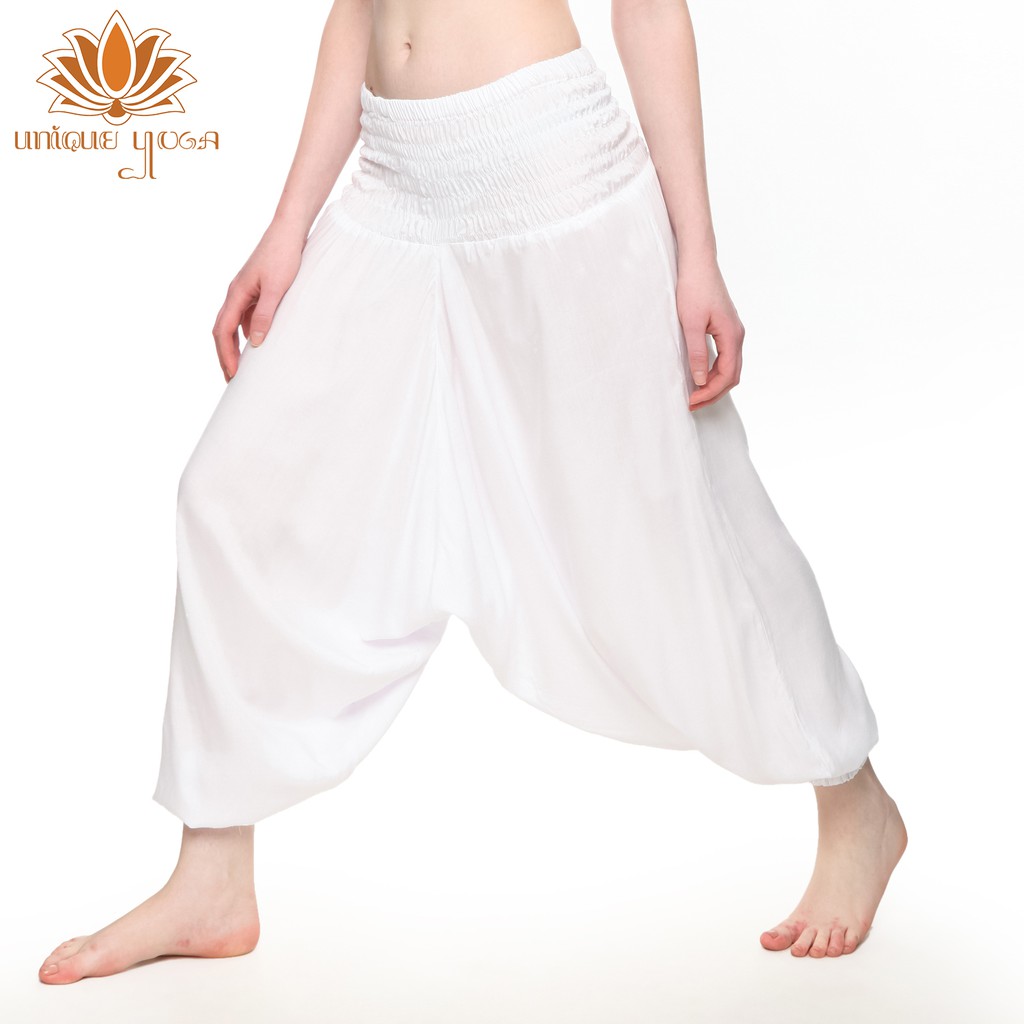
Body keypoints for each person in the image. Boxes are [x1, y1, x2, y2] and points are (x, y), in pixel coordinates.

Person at [38, 0, 907, 984]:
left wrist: (695, 250)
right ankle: (211, 877)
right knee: (230, 491)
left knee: (676, 533)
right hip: (393, 184)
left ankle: (854, 800)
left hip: (548, 173)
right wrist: (288, 226)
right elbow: (359, 10)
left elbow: (648, 8)